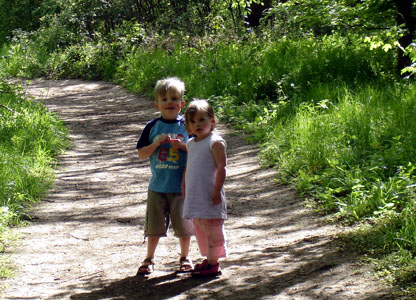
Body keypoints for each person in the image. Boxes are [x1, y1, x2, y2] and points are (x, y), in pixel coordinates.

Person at [136, 77, 194, 275]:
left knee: (184, 227)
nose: (170, 102)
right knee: (154, 227)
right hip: (158, 187)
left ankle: (185, 257)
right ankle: (149, 258)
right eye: (165, 99)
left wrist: (183, 146)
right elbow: (141, 154)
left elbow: (200, 151)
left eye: (174, 98)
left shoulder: (188, 126)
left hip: (182, 187)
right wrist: (155, 144)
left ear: (182, 104)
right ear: (157, 104)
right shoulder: (152, 127)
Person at [182, 99, 227, 277]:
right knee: (200, 226)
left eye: (202, 120)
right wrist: (184, 186)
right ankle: (208, 259)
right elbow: (189, 166)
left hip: (210, 194)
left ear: (212, 121)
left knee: (212, 227)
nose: (197, 124)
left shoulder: (215, 142)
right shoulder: (191, 144)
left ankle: (214, 263)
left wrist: (216, 191)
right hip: (196, 195)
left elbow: (222, 167)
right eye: (192, 121)